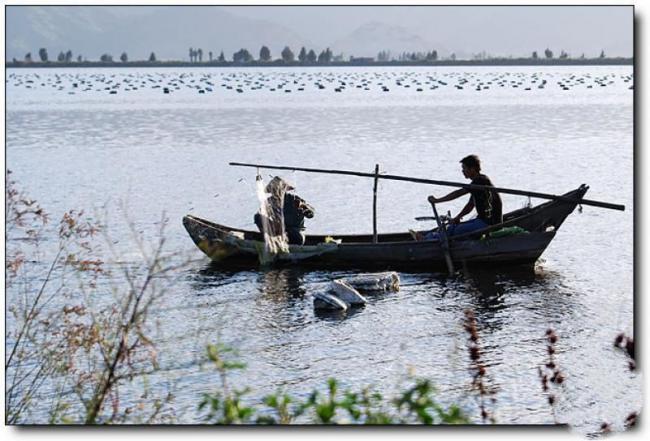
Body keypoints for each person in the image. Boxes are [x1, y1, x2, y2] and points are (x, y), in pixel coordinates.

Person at [420, 155, 502, 240]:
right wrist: (458, 217)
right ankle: (429, 237)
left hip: (488, 223)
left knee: (454, 229)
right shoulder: (478, 183)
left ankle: (427, 240)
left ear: (472, 169)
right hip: (483, 221)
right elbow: (470, 205)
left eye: (464, 168)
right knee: (453, 226)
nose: (463, 171)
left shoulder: (480, 181)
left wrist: (437, 200)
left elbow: (458, 193)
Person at [254, 176, 315, 246]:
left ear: (283, 189)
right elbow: (259, 216)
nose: (276, 192)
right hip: (278, 234)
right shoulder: (269, 202)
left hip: (295, 234)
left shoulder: (293, 199)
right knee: (258, 217)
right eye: (273, 190)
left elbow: (311, 214)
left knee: (293, 234)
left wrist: (304, 207)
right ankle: (268, 238)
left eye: (278, 189)